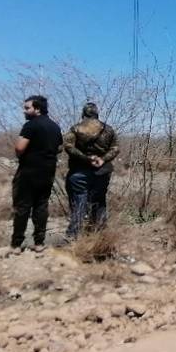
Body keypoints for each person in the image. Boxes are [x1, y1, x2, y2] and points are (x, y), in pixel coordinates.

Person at [11, 95, 62, 253]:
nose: (24, 111)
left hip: (29, 171)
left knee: (22, 207)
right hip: (47, 171)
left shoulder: (30, 125)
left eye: (27, 108)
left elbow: (20, 148)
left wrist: (27, 155)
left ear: (37, 109)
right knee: (41, 206)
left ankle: (16, 245)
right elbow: (59, 147)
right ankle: (39, 243)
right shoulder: (55, 126)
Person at [63, 102, 120, 240]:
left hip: (79, 172)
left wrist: (86, 158)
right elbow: (115, 148)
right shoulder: (108, 130)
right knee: (99, 202)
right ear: (97, 114)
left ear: (83, 114)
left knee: (79, 202)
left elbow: (68, 147)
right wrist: (102, 159)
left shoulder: (75, 129)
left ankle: (73, 235)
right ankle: (100, 235)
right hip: (102, 171)